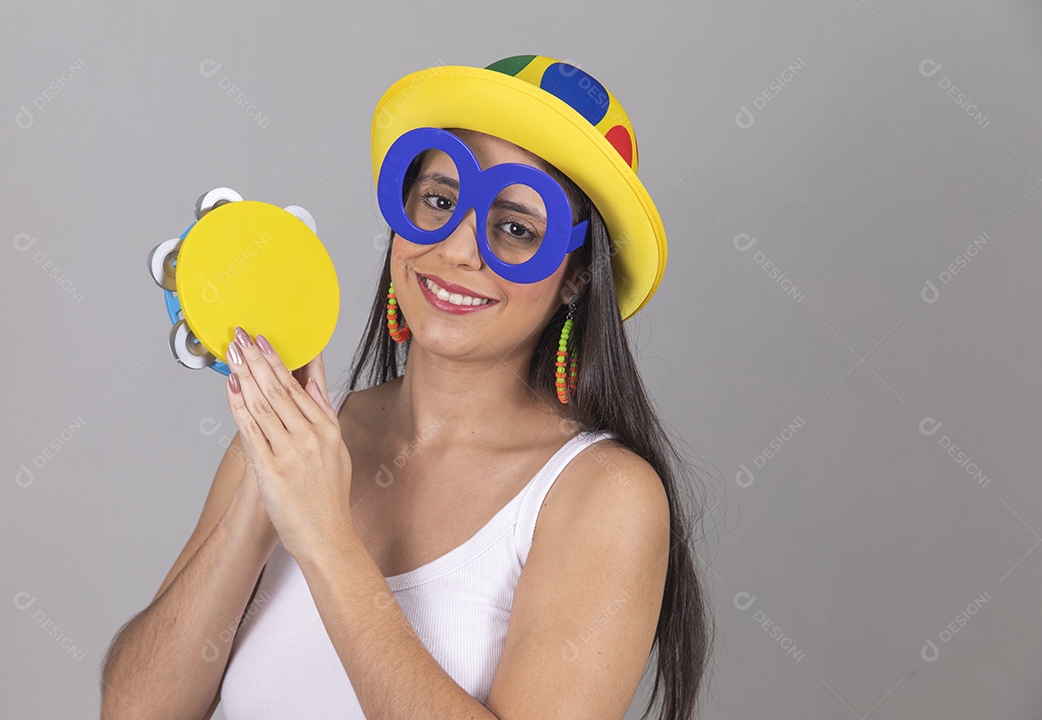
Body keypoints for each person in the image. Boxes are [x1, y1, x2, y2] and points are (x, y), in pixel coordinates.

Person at [100, 54, 714, 720]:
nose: (458, 249)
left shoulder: (605, 497)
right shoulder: (298, 446)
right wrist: (263, 499)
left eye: (516, 229)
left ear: (574, 278)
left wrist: (327, 541)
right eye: (441, 201)